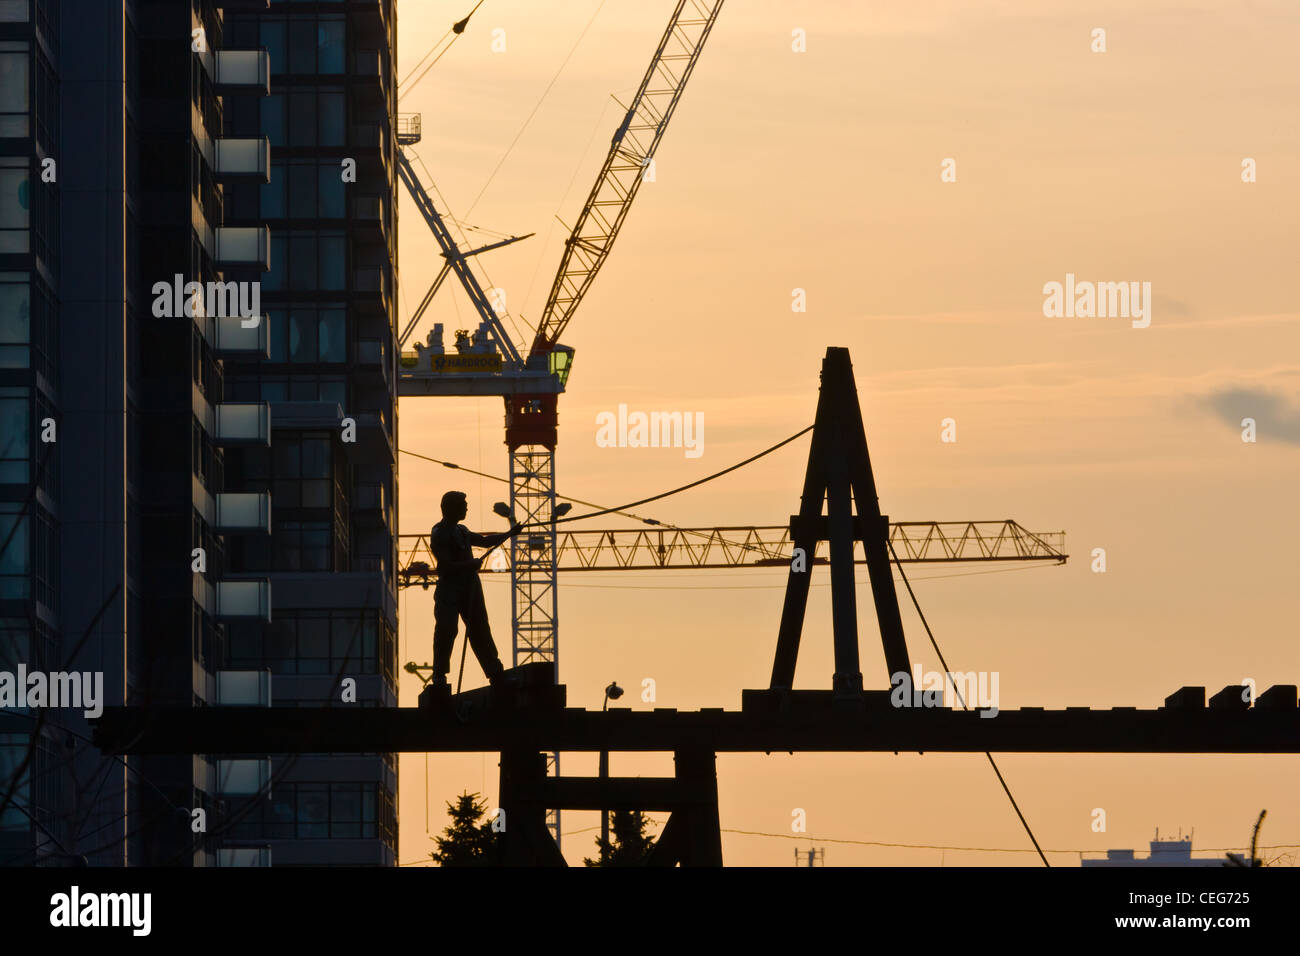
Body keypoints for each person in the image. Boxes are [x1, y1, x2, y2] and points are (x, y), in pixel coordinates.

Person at [429, 491, 523, 691]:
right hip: (450, 589)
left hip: (470, 586)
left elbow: (484, 541)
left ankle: (495, 673)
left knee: (480, 630)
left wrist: (509, 533)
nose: (466, 508)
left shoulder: (461, 530)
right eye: (463, 505)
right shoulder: (440, 532)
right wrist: (469, 564)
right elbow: (445, 565)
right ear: (450, 508)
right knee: (447, 630)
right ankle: (439, 675)